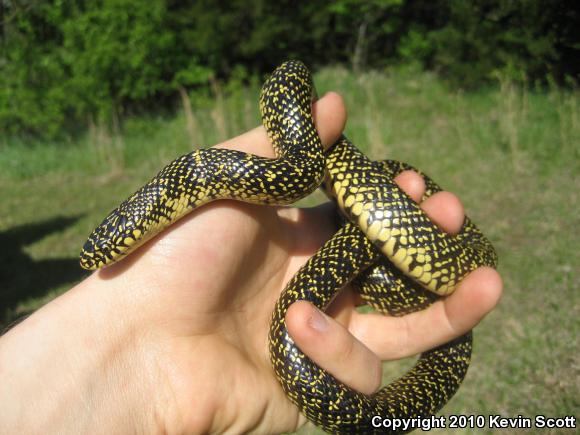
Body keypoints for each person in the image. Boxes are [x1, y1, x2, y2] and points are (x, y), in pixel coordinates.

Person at [0, 93, 502, 434]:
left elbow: (301, 168)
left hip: (397, 236)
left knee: (435, 259)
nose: (98, 261)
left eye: (107, 248)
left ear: (139, 222)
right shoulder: (195, 178)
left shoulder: (221, 173)